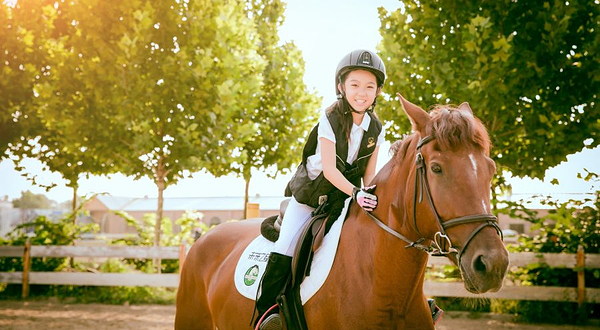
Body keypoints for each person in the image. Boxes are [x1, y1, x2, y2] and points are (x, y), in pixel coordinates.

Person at [253, 49, 386, 329]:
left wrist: (371, 195)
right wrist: (356, 194)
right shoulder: (330, 118)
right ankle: (266, 316)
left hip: (343, 198)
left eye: (369, 87)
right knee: (286, 246)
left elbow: (369, 175)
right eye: (355, 85)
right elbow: (329, 169)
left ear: (377, 92)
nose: (362, 92)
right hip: (311, 198)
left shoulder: (376, 127)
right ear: (341, 87)